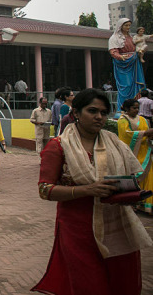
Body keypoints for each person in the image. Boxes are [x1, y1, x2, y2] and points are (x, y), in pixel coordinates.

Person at [33, 89, 152, 295]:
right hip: (78, 229)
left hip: (117, 224)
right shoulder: (59, 146)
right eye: (92, 111)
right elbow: (45, 190)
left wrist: (127, 193)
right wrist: (87, 190)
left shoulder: (114, 143)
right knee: (88, 284)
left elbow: (133, 174)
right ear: (76, 113)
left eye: (104, 112)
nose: (99, 117)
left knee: (123, 281)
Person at [117, 98, 153, 215]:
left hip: (145, 152)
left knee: (148, 175)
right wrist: (145, 133)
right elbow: (126, 136)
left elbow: (148, 134)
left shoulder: (143, 119)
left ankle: (146, 204)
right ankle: (135, 202)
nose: (136, 110)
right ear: (127, 109)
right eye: (134, 108)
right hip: (132, 153)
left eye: (138, 108)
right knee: (134, 176)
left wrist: (150, 135)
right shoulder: (122, 120)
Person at [109, 18, 146, 112]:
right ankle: (122, 109)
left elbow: (136, 46)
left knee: (135, 85)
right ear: (120, 26)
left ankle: (134, 109)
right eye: (126, 25)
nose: (128, 27)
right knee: (126, 86)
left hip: (133, 63)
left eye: (129, 25)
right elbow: (113, 51)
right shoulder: (115, 38)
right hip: (123, 65)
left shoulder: (131, 37)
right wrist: (120, 57)